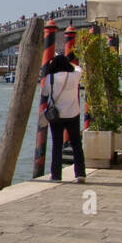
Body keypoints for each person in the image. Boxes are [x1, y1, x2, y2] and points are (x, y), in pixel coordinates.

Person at [40, 53, 86, 183]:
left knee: (57, 145)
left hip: (57, 116)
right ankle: (80, 174)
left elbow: (44, 93)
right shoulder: (74, 76)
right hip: (72, 114)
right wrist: (70, 63)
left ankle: (56, 175)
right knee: (77, 144)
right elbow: (79, 68)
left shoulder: (50, 78)